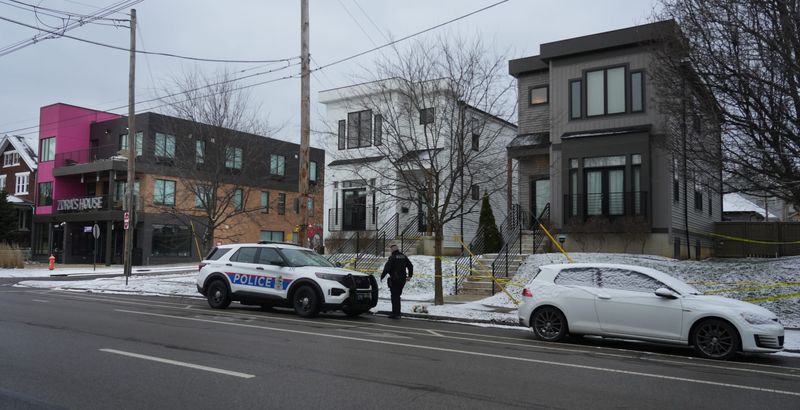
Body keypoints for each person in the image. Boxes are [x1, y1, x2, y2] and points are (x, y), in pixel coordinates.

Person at [381, 244, 413, 319]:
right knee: (397, 296)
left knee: (394, 296)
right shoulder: (404, 256)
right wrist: (410, 276)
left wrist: (382, 276)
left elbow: (387, 268)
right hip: (402, 280)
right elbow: (410, 266)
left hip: (395, 279)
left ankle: (395, 313)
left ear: (392, 250)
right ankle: (397, 312)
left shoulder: (392, 257)